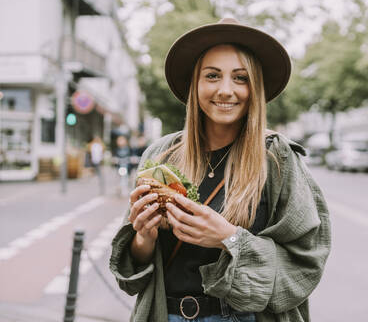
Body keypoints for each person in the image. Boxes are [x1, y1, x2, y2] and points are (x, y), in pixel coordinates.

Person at [110, 18, 331, 322]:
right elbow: (132, 276)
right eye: (212, 75)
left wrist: (228, 237)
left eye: (240, 78)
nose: (226, 90)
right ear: (195, 84)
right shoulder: (161, 156)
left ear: (254, 87)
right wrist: (143, 238)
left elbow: (306, 263)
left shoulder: (278, 158)